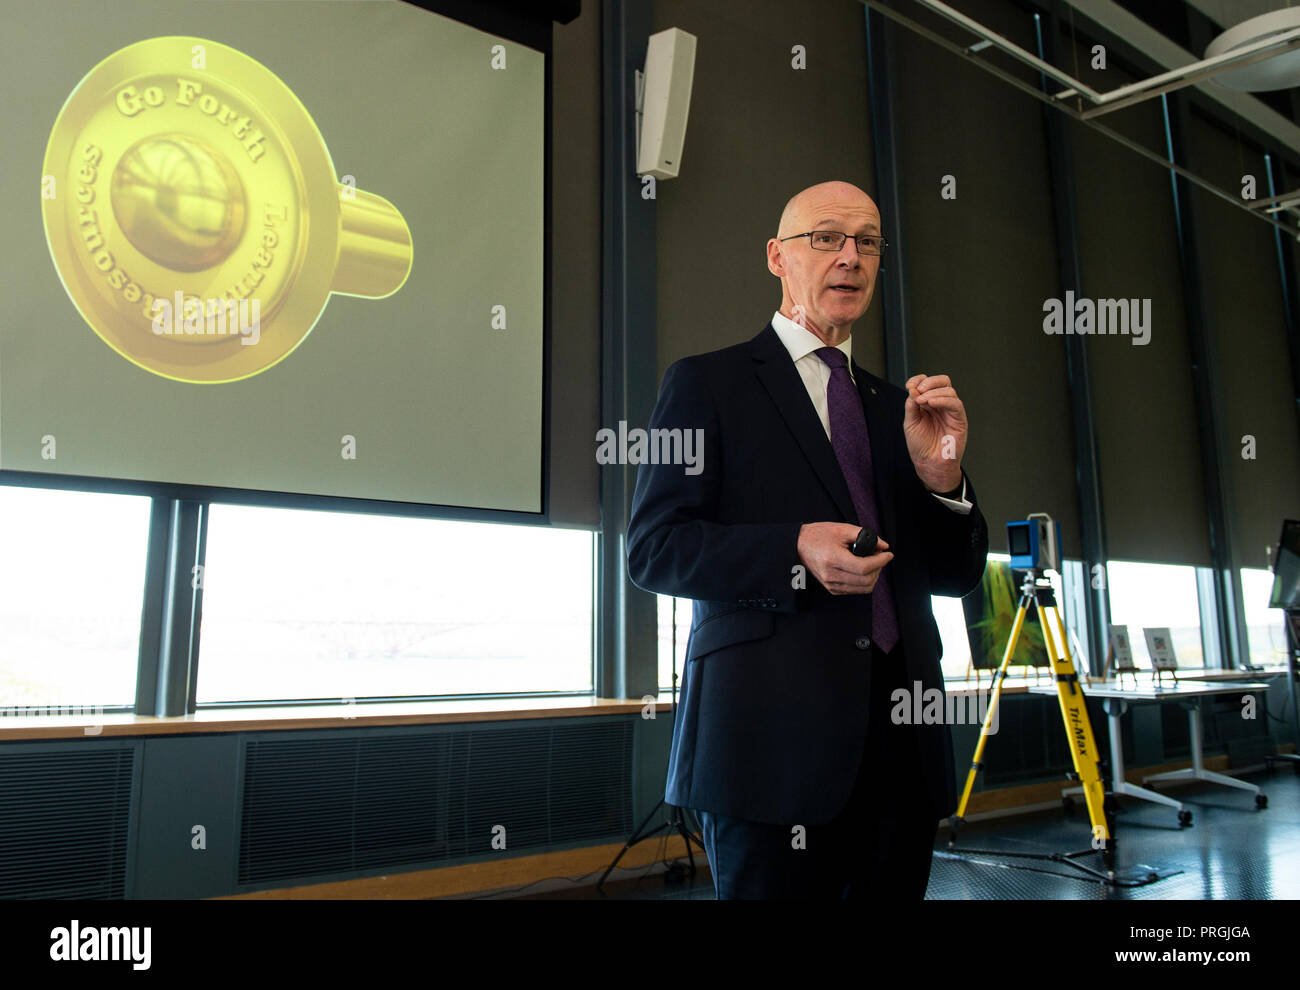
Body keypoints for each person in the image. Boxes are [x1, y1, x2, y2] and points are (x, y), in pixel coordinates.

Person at [626, 180, 989, 899]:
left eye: (868, 242)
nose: (849, 257)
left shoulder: (901, 409)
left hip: (901, 749)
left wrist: (942, 478)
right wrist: (793, 547)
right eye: (826, 237)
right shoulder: (706, 384)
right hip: (768, 751)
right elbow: (654, 547)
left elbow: (952, 575)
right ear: (777, 258)